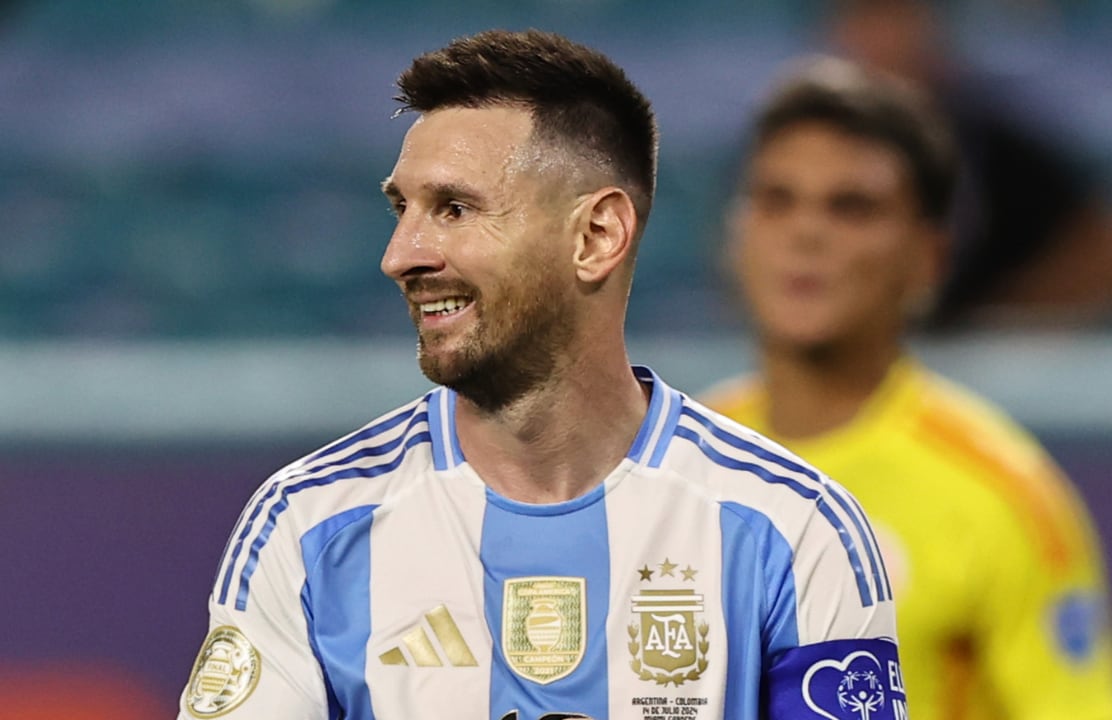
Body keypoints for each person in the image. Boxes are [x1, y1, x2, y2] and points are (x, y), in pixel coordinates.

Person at [178, 30, 905, 720]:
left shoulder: (795, 528)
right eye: (403, 209)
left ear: (595, 236)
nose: (401, 255)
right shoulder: (307, 526)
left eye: (454, 209)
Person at [703, 56, 1112, 719]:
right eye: (775, 200)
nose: (805, 233)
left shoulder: (1003, 494)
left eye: (852, 207)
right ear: (738, 237)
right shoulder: (673, 462)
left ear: (927, 259)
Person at [828, 0, 1112, 329]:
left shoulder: (987, 136)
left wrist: (1008, 321)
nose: (880, 40)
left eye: (893, 19)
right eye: (863, 20)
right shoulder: (816, 145)